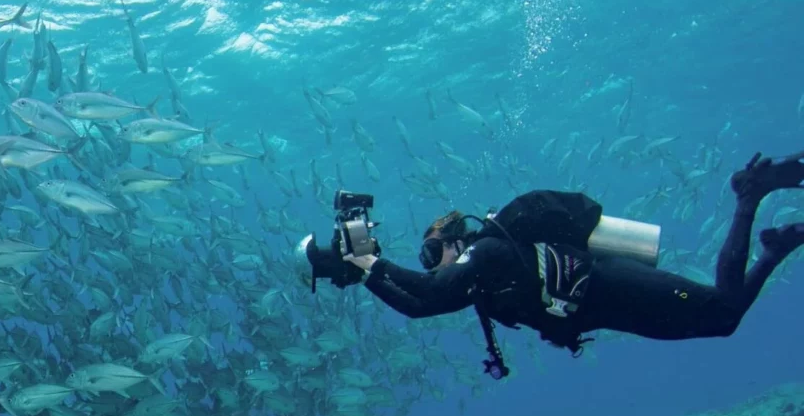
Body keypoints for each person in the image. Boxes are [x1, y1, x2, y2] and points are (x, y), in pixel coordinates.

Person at [344, 151, 804, 378]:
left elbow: (428, 290)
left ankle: (749, 195)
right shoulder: (480, 281)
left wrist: (371, 260)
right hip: (608, 309)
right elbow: (419, 307)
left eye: (431, 254)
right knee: (722, 322)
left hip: (613, 284)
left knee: (723, 311)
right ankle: (775, 249)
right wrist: (364, 273)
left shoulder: (485, 252)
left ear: (454, 241)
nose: (429, 266)